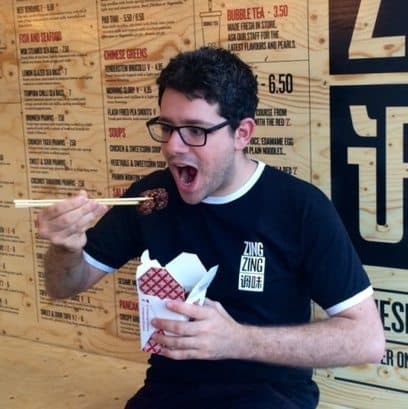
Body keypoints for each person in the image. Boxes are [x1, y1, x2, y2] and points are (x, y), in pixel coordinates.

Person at [38, 47, 385, 409]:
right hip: (169, 392)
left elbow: (367, 340)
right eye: (167, 128)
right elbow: (63, 286)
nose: (173, 147)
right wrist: (65, 247)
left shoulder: (300, 208)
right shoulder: (152, 197)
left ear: (242, 133)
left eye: (195, 130)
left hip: (270, 397)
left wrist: (236, 340)